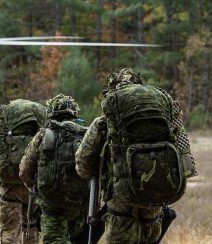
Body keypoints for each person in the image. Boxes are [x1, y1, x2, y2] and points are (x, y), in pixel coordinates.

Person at [75, 67, 197, 244]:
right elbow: (184, 154)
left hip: (121, 200)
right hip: (154, 196)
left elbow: (83, 165)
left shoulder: (105, 120)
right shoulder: (163, 106)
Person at [20, 94, 89, 244]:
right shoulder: (86, 135)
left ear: (50, 113)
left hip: (51, 201)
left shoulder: (44, 135)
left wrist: (36, 189)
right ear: (74, 113)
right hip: (79, 203)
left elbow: (25, 170)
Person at [0, 100, 46, 244]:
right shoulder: (38, 137)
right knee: (31, 228)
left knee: (9, 232)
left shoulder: (3, 136)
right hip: (33, 188)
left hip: (9, 188)